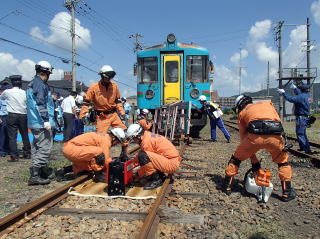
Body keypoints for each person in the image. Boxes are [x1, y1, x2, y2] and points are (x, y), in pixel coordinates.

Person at [221, 95, 296, 202]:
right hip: (275, 136)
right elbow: (279, 122)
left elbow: (243, 138)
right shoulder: (268, 105)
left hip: (254, 137)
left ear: (240, 105)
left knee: (235, 159)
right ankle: (287, 192)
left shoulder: (243, 112)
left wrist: (254, 161)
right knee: (283, 162)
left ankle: (227, 186)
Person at [58, 127, 126, 182]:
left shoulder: (105, 137)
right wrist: (116, 168)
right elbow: (106, 160)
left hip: (70, 149)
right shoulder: (106, 141)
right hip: (71, 149)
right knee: (99, 152)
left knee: (90, 165)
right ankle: (99, 175)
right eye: (117, 141)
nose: (116, 144)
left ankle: (63, 170)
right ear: (114, 137)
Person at [126, 124, 182, 190]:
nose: (134, 141)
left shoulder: (146, 142)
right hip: (170, 160)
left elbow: (145, 161)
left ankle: (157, 180)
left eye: (133, 139)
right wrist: (132, 165)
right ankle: (161, 176)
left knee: (143, 156)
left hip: (171, 164)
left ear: (137, 136)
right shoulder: (147, 135)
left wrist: (137, 174)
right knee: (142, 156)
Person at [26, 61, 56, 185]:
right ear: (46, 73)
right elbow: (40, 103)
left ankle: (41, 170)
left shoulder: (32, 83)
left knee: (37, 146)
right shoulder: (40, 84)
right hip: (41, 122)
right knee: (44, 147)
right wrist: (46, 120)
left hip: (34, 121)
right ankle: (35, 175)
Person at [81, 65, 126, 133]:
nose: (109, 79)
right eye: (108, 77)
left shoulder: (115, 86)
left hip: (114, 115)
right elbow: (86, 102)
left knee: (123, 133)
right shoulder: (94, 87)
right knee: (101, 138)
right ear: (102, 76)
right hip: (102, 117)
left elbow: (118, 101)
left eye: (110, 77)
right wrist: (83, 115)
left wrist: (122, 113)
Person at [0, 75, 31, 162]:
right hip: (23, 115)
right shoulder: (24, 92)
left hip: (12, 115)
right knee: (25, 134)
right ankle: (27, 153)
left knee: (12, 136)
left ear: (12, 83)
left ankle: (14, 155)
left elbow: (2, 98)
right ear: (20, 83)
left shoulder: (7, 92)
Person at [278, 83, 314, 154]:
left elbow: (290, 99)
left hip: (301, 118)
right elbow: (301, 95)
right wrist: (295, 89)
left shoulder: (300, 97)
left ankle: (306, 149)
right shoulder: (308, 96)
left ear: (301, 90)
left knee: (300, 133)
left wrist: (283, 93)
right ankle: (303, 147)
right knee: (303, 133)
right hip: (305, 117)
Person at [0, 84, 10, 157]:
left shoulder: (9, 98)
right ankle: (2, 150)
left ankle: (8, 149)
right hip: (2, 117)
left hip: (10, 116)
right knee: (3, 134)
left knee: (9, 134)